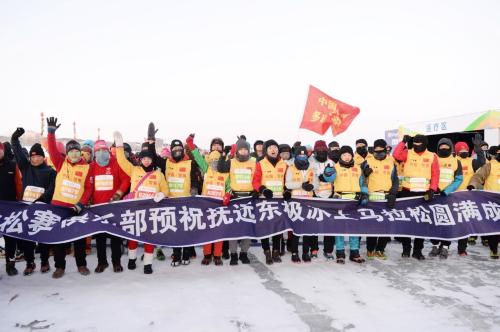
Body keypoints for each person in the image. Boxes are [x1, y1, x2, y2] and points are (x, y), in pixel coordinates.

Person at [114, 131, 169, 274]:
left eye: (149, 158)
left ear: (152, 160)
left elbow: (165, 189)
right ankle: (132, 259)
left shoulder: (158, 174)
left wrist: (162, 194)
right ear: (140, 159)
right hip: (135, 209)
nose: (146, 160)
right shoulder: (134, 170)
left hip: (151, 211)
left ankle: (148, 263)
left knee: (149, 237)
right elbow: (121, 161)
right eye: (143, 158)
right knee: (133, 236)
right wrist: (119, 145)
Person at [46, 117, 93, 278]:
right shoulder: (60, 163)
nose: (74, 153)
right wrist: (51, 133)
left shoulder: (86, 167)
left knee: (78, 238)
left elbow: (88, 188)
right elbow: (51, 149)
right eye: (71, 151)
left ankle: (81, 264)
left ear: (80, 153)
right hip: (58, 207)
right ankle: (60, 266)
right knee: (60, 239)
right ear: (67, 153)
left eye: (76, 151)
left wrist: (81, 204)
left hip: (76, 209)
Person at [11, 127, 56, 275]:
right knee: (27, 238)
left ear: (43, 157)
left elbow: (52, 188)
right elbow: (17, 154)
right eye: (32, 156)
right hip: (26, 209)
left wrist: (42, 199)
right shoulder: (26, 168)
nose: (35, 159)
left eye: (38, 156)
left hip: (42, 209)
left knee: (42, 237)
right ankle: (30, 262)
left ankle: (44, 261)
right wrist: (14, 139)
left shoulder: (50, 172)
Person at [393, 134, 440, 260]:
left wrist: (432, 189)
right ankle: (406, 248)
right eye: (415, 144)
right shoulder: (407, 153)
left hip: (423, 194)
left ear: (425, 144)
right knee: (406, 222)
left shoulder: (432, 156)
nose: (417, 147)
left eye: (420, 145)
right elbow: (396, 155)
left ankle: (418, 250)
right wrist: (403, 142)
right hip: (407, 192)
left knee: (422, 223)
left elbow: (435, 174)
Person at [186, 134, 230, 266]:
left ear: (222, 148)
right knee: (207, 231)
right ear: (211, 148)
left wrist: (228, 194)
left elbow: (229, 185)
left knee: (218, 231)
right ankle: (207, 254)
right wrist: (191, 144)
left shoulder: (226, 168)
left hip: (220, 204)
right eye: (214, 145)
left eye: (219, 145)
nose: (216, 147)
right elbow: (198, 157)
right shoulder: (206, 167)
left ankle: (217, 255)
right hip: (206, 203)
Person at [91, 139, 131, 273]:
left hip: (113, 206)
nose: (102, 154)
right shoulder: (92, 166)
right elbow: (88, 185)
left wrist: (118, 193)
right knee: (100, 238)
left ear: (108, 152)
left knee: (115, 237)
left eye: (104, 151)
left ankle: (116, 262)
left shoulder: (115, 163)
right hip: (98, 208)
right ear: (94, 154)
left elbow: (126, 179)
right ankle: (102, 262)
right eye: (99, 151)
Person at [217, 137, 254, 265]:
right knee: (234, 228)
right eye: (241, 149)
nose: (243, 152)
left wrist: (256, 191)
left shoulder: (254, 162)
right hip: (235, 198)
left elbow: (258, 178)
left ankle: (244, 253)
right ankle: (233, 254)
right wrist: (224, 155)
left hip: (249, 198)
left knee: (247, 228)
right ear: (237, 151)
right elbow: (220, 168)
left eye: (245, 149)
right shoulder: (231, 161)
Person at [252, 139, 289, 264]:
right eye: (270, 148)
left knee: (277, 227)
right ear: (266, 150)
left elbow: (286, 182)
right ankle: (267, 251)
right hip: (264, 200)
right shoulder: (260, 163)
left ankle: (276, 251)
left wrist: (286, 191)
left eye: (275, 147)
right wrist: (263, 189)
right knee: (265, 227)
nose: (273, 150)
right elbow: (255, 181)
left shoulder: (284, 164)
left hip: (279, 200)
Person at [331, 146, 368, 264]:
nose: (346, 157)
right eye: (344, 155)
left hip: (355, 200)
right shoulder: (335, 167)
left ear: (352, 156)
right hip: (340, 200)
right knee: (339, 227)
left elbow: (362, 182)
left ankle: (354, 252)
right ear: (340, 156)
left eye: (348, 155)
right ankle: (340, 252)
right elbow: (329, 178)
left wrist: (365, 194)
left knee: (354, 226)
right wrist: (327, 173)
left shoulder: (357, 168)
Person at [362, 139, 398, 260]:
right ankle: (370, 249)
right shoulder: (367, 161)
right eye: (376, 151)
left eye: (381, 150)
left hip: (387, 197)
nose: (378, 153)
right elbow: (360, 179)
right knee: (373, 225)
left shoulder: (391, 161)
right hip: (372, 197)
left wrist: (393, 194)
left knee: (385, 226)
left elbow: (395, 179)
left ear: (385, 150)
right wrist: (365, 174)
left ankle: (380, 249)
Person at [468, 145, 500, 259]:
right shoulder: (490, 166)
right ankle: (494, 249)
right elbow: (478, 176)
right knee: (494, 227)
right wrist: (472, 184)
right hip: (492, 201)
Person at [285, 146, 314, 263]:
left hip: (309, 201)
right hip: (296, 202)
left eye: (304, 155)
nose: (302, 157)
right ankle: (295, 252)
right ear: (295, 156)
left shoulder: (311, 168)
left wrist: (311, 186)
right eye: (299, 155)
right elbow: (288, 184)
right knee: (296, 230)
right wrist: (301, 185)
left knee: (307, 229)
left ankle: (306, 252)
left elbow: (316, 184)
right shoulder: (291, 168)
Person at [0, 141, 23, 276]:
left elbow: (19, 185)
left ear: (2, 151)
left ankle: (10, 264)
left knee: (10, 237)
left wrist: (19, 203)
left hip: (10, 207)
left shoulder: (12, 165)